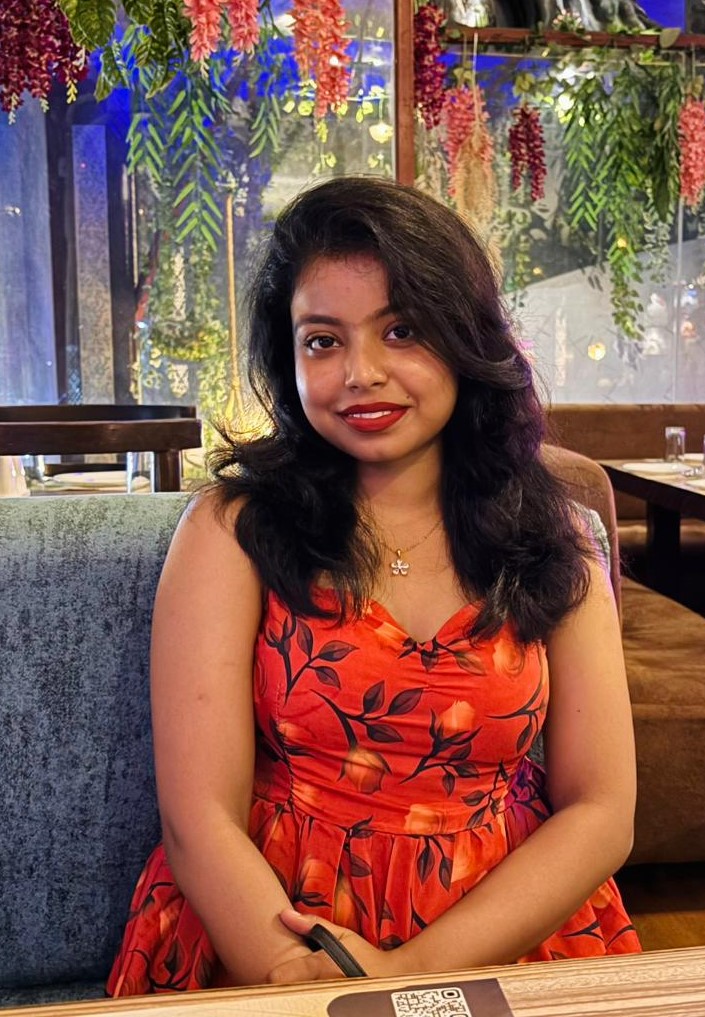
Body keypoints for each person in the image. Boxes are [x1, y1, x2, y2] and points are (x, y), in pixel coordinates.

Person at [106, 176, 640, 996]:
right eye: (323, 340)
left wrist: (410, 975)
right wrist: (304, 980)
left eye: (401, 330)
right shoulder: (233, 530)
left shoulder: (555, 537)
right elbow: (198, 817)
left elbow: (601, 810)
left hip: (504, 930)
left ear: (465, 338)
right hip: (274, 928)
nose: (361, 372)